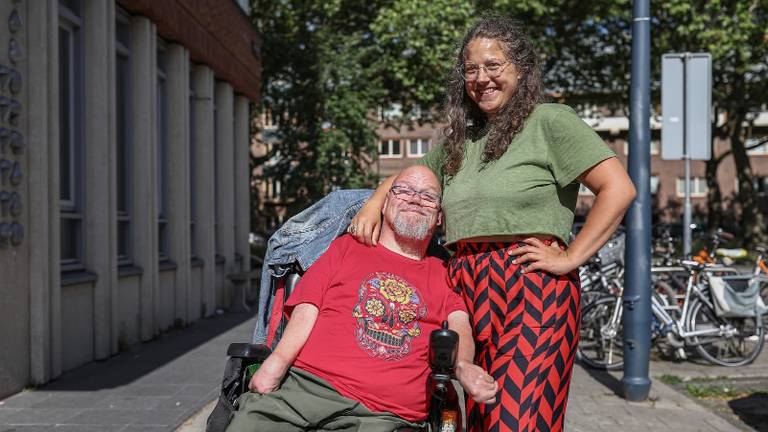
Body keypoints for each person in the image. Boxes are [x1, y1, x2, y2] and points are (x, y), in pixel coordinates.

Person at [350, 16, 636, 432]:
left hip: (531, 283)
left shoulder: (550, 121)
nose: (481, 78)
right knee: (471, 417)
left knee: (515, 419)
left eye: (493, 65)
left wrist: (571, 257)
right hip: (463, 288)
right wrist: (375, 201)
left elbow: (618, 188)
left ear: (520, 69)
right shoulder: (460, 142)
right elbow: (408, 178)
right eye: (471, 69)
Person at [226, 166, 498, 432]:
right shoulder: (346, 247)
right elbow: (308, 306)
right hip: (307, 391)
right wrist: (277, 362)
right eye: (404, 191)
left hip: (385, 414)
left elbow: (460, 326)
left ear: (439, 217)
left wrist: (463, 366)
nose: (415, 199)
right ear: (384, 202)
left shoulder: (444, 271)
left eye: (429, 197)